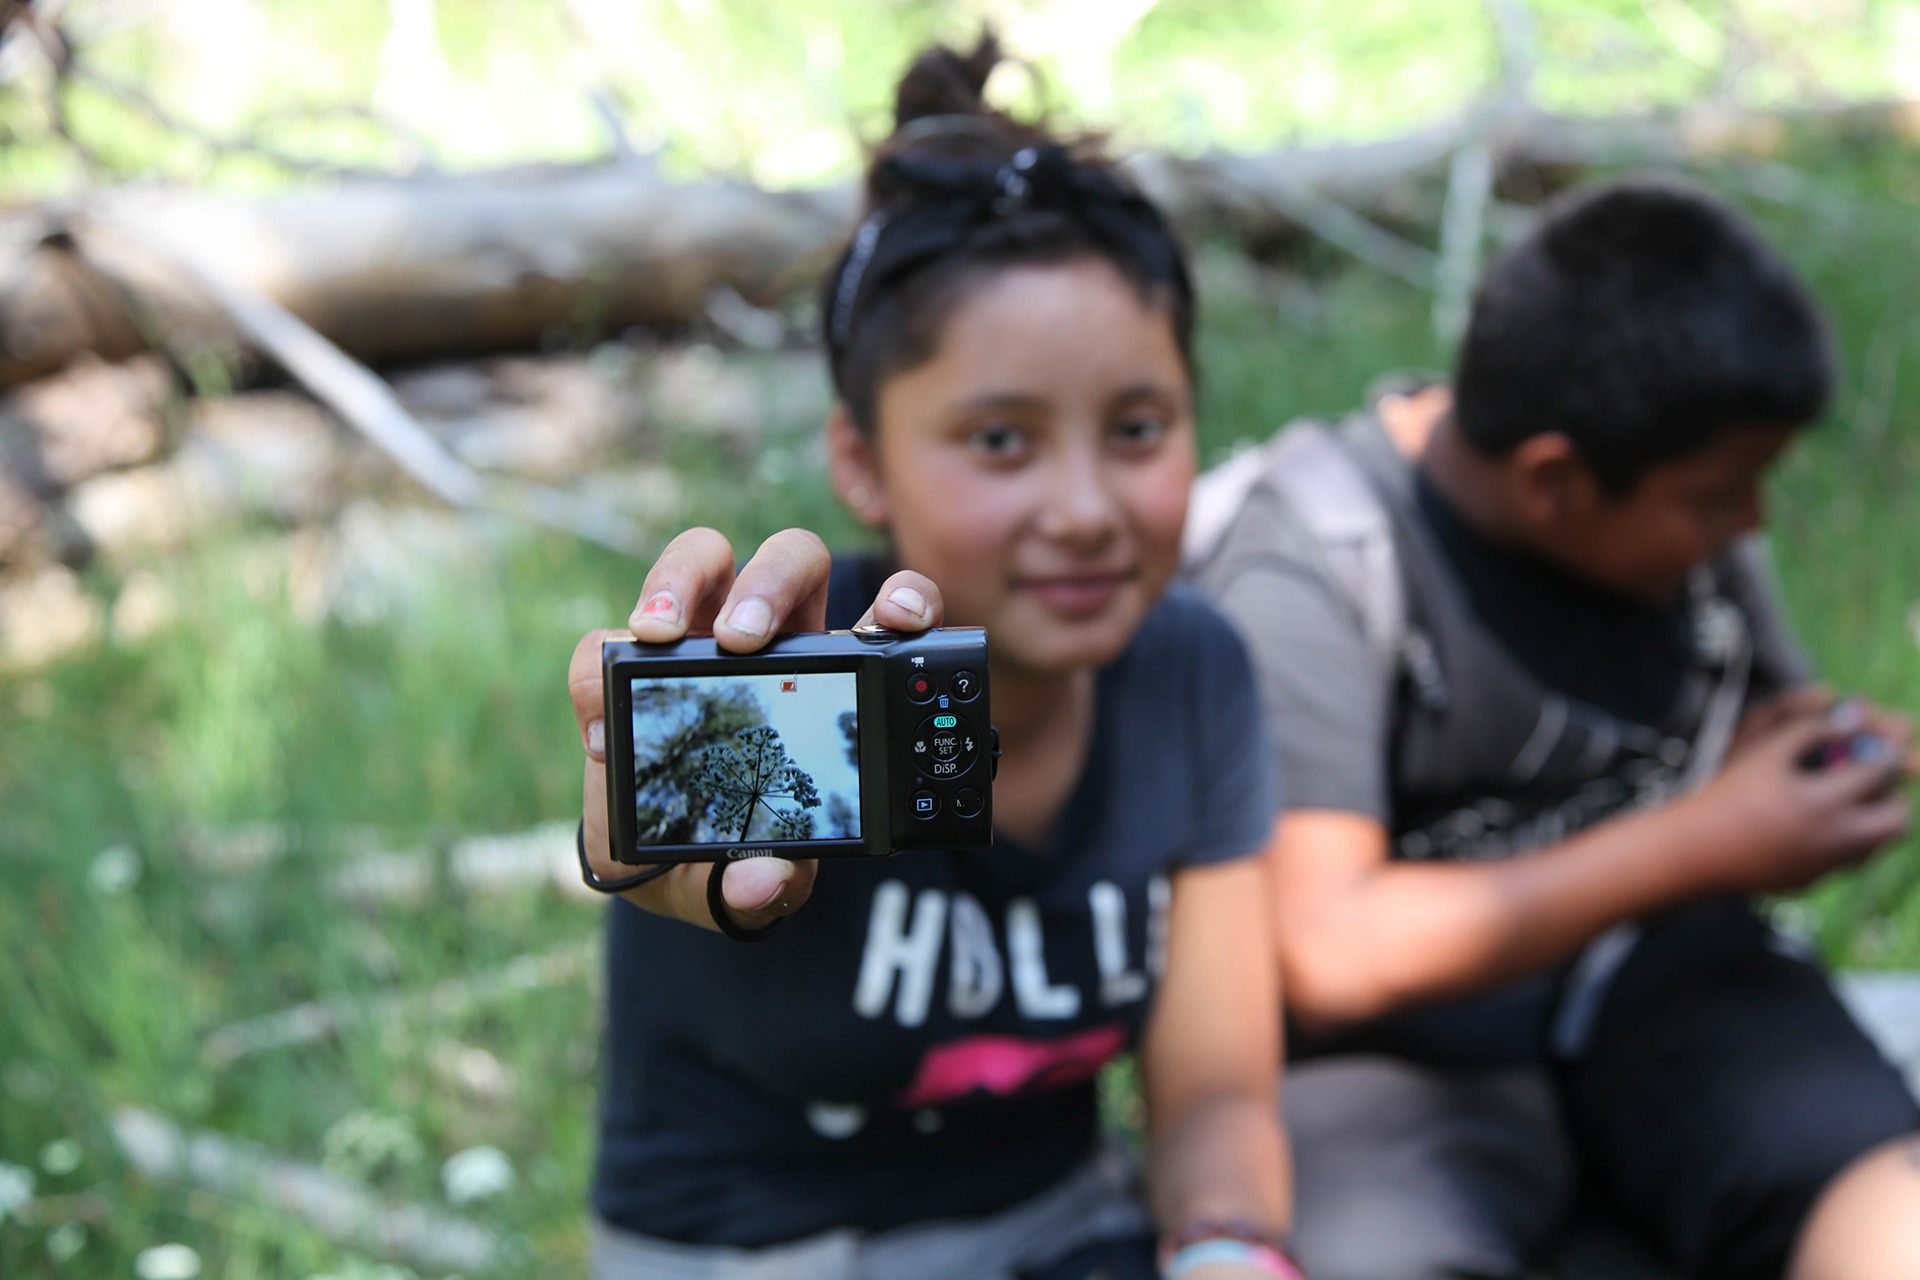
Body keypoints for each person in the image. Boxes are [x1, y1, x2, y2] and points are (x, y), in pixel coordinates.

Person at [565, 37, 1299, 1280]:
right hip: (759, 1251)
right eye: (1001, 439)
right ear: (861, 462)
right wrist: (638, 826)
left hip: (1061, 1230)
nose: (1083, 506)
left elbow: (1218, 1091)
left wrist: (1230, 1251)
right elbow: (656, 862)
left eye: (1137, 428)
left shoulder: (1193, 672)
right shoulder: (795, 664)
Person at [1192, 177, 1920, 1280]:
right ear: (1554, 481)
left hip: (1667, 982)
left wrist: (1813, 785)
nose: (1753, 519)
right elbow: (1327, 948)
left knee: (1874, 1180)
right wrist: (1711, 838)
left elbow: (1761, 738)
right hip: (1401, 1054)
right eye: (1724, 493)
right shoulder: (1313, 567)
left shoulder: (1685, 512)